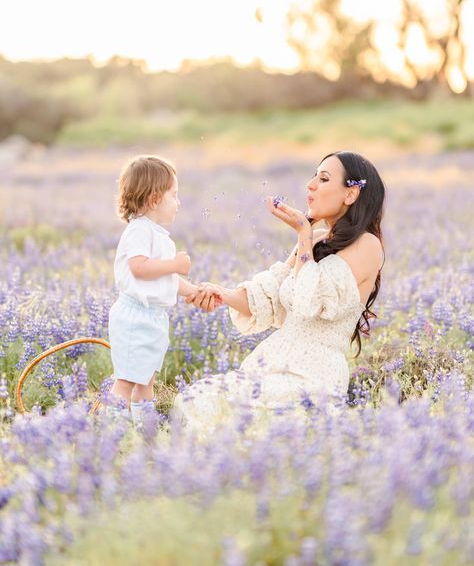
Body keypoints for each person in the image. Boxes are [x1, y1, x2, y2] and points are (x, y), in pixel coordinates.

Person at [172, 151, 386, 434]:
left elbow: (308, 300)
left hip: (313, 375)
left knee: (244, 421)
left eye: (323, 179)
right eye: (313, 176)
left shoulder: (367, 246)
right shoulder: (317, 240)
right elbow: (270, 298)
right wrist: (220, 293)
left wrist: (303, 235)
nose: (310, 185)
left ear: (350, 195)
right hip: (272, 365)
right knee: (193, 400)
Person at [105, 155, 210, 427]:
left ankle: (146, 430)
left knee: (145, 379)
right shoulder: (139, 230)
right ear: (154, 200)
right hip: (135, 317)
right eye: (174, 195)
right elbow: (140, 268)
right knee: (127, 379)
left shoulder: (158, 234)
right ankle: (108, 433)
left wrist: (191, 292)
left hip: (152, 318)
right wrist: (175, 264)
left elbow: (164, 279)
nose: (179, 202)